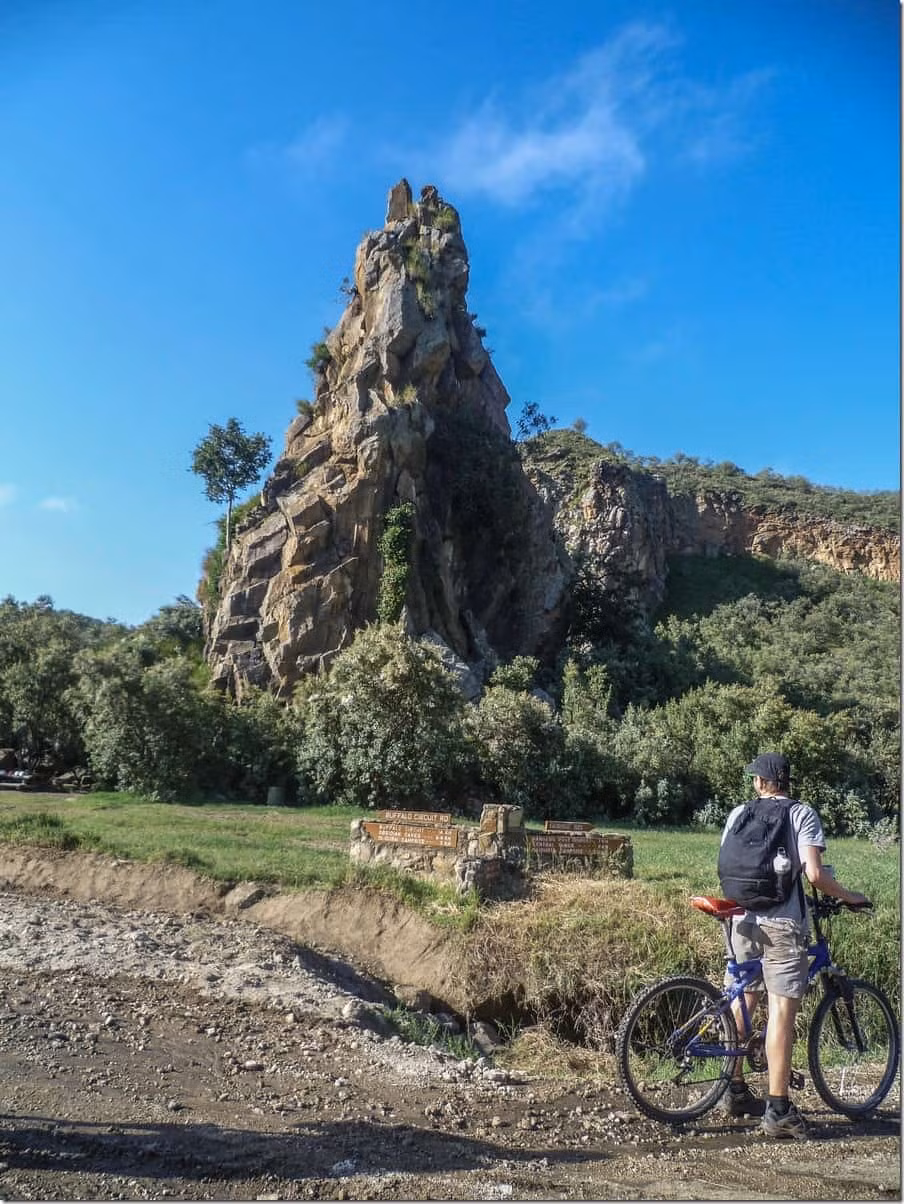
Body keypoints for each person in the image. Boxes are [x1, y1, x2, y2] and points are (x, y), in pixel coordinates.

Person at [717, 752, 869, 1138]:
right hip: (781, 923)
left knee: (743, 998)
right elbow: (814, 874)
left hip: (738, 916)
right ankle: (779, 1109)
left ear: (759, 783)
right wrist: (849, 896)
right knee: (781, 1010)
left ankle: (733, 1091)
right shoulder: (801, 814)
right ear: (787, 782)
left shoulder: (739, 814)